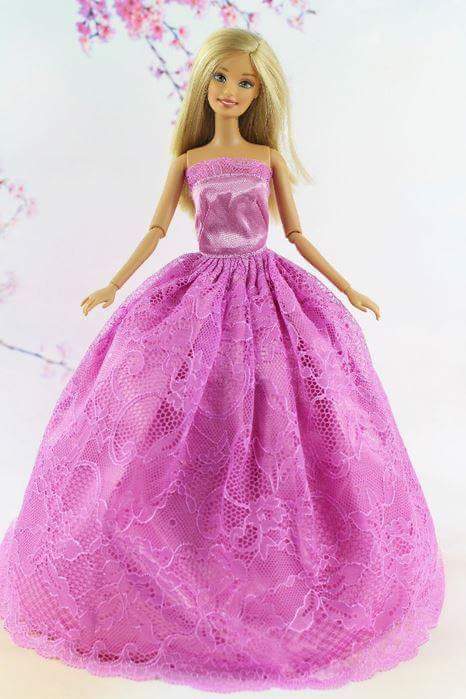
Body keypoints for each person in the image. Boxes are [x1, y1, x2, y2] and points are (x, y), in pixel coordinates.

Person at [0, 26, 444, 692]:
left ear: (260, 93)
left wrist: (347, 287)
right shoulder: (189, 159)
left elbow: (296, 233)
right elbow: (156, 229)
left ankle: (271, 547)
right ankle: (176, 535)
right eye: (221, 78)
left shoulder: (266, 157)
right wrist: (114, 284)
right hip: (198, 292)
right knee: (173, 410)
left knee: (280, 408)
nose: (231, 90)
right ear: (204, 82)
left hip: (267, 290)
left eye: (245, 82)